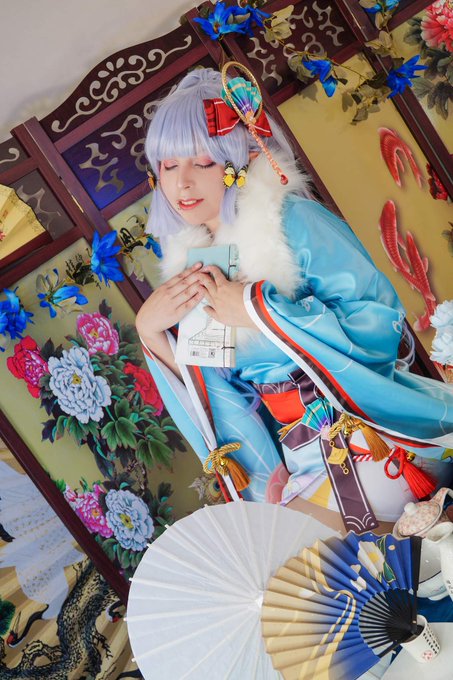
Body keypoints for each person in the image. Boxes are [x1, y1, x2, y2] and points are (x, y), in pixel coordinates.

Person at [136, 66, 453, 535]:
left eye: (201, 163)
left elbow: (376, 319)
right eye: (167, 165)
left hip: (371, 431)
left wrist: (261, 310)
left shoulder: (293, 220)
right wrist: (151, 332)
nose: (181, 183)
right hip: (300, 458)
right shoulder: (199, 263)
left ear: (239, 158)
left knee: (312, 553)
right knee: (280, 549)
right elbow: (222, 397)